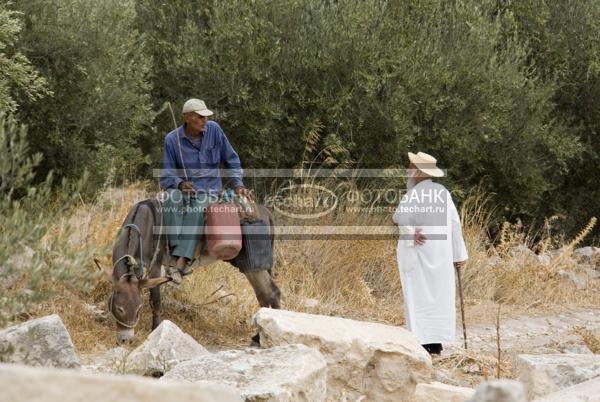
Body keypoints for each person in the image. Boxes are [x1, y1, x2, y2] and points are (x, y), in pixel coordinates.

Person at [160, 98, 253, 284]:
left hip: (210, 191)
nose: (205, 121)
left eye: (206, 117)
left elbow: (232, 160)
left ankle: (181, 261)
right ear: (187, 118)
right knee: (171, 198)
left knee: (198, 206)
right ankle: (174, 249)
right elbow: (167, 175)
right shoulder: (172, 140)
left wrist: (238, 184)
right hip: (185, 190)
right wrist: (179, 184)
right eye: (200, 117)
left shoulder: (215, 130)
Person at [392, 151, 468, 355]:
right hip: (441, 255)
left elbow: (399, 217)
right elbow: (455, 224)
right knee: (438, 295)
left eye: (410, 166)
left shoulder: (414, 194)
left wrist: (410, 234)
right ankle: (435, 343)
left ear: (417, 172)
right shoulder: (443, 192)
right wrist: (458, 255)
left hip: (419, 254)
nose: (407, 169)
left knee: (418, 295)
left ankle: (421, 341)